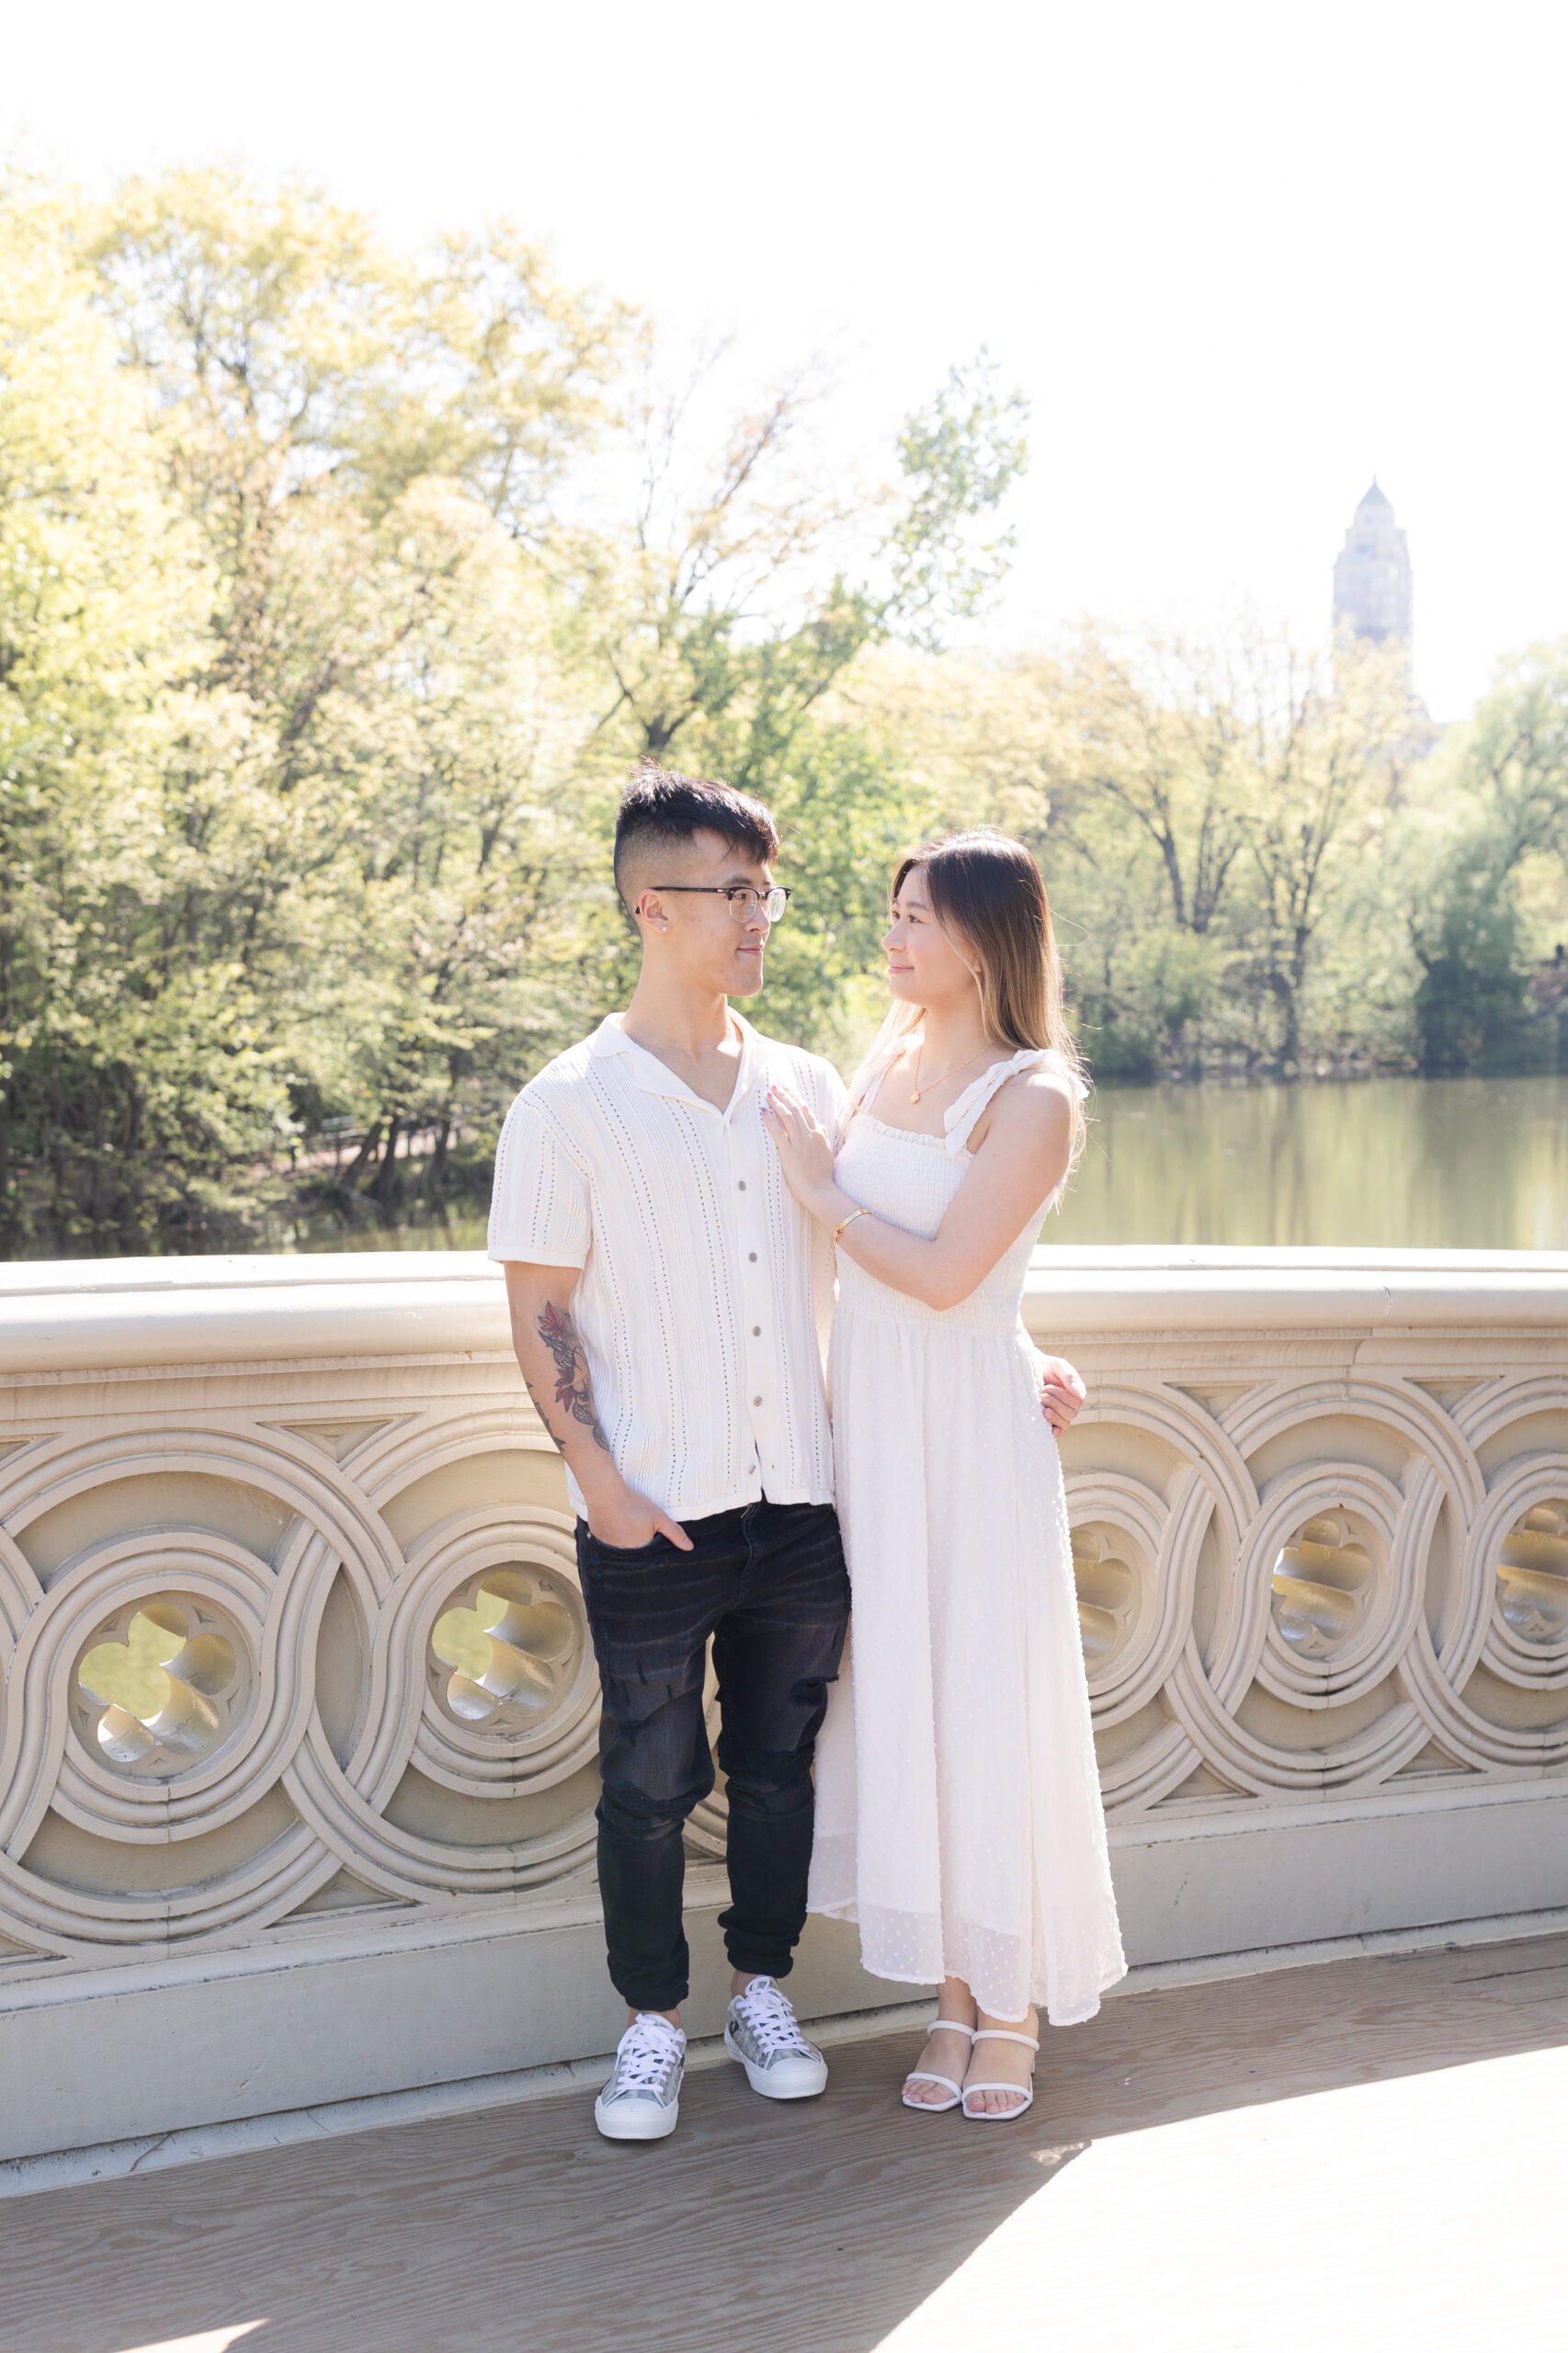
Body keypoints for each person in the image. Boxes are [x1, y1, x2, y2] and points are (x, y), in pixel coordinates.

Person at [489, 768, 1086, 2143]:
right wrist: (599, 1484)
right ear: (653, 907)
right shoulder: (564, 1103)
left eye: (768, 890)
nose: (762, 915)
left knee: (778, 1776)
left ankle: (763, 1993)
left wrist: (1020, 1354)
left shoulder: (812, 1086)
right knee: (648, 1784)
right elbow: (540, 1310)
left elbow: (928, 1247)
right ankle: (650, 2026)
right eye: (732, 893)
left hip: (812, 1502)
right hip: (654, 1504)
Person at [762, 826, 1126, 2121]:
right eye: (893, 911)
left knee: (984, 1700)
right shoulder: (887, 1060)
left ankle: (1010, 2005)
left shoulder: (1036, 1095)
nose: (893, 934)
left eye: (917, 916)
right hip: (873, 1423)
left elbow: (949, 1273)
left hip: (970, 1432)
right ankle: (952, 1998)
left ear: (986, 939)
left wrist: (821, 1190)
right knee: (904, 1691)